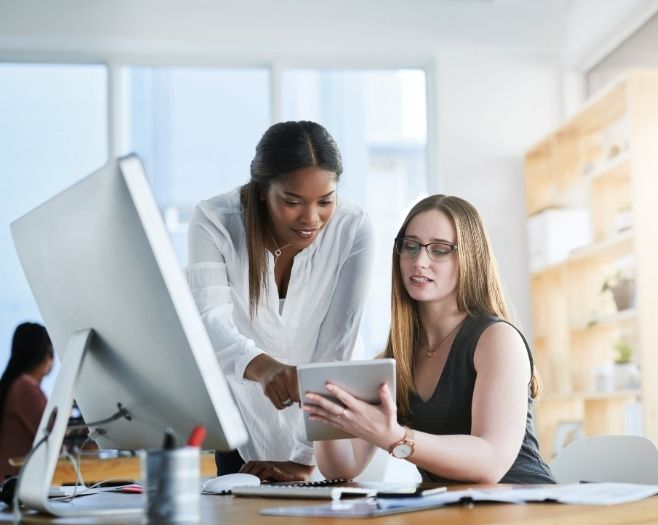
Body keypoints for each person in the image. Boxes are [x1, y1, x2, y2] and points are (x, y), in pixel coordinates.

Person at [304, 194, 555, 484]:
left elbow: (491, 462)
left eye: (440, 250)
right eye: (410, 246)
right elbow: (341, 469)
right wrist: (324, 404)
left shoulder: (496, 339)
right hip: (453, 513)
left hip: (523, 505)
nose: (419, 261)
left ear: (470, 258)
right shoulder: (394, 358)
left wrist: (398, 438)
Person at [187, 120, 374, 481]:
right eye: (292, 201)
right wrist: (262, 367)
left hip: (328, 430)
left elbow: (338, 347)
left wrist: (305, 459)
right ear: (261, 190)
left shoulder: (354, 228)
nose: (310, 218)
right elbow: (209, 322)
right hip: (242, 423)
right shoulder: (214, 221)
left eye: (325, 201)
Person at [0, 322, 54, 481]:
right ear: (47, 354)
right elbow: (53, 438)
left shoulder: (11, 384)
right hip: (16, 485)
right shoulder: (26, 387)